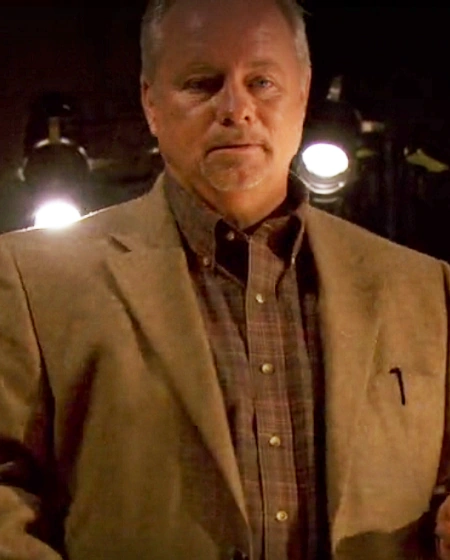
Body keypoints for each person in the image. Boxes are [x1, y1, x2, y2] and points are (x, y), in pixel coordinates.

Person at [0, 0, 450, 558]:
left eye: (262, 82)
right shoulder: (33, 281)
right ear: (150, 102)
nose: (237, 109)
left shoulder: (424, 288)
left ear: (303, 93)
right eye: (202, 83)